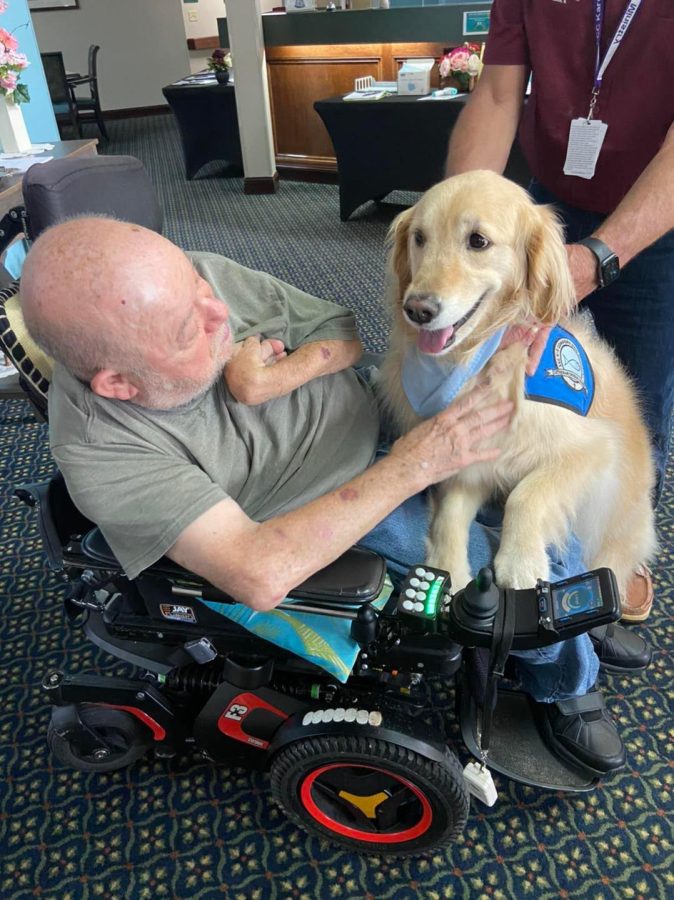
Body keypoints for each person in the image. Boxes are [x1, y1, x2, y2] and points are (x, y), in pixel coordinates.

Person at [20, 216, 645, 774]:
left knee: (542, 476)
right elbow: (258, 572)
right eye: (190, 328)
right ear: (119, 383)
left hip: (375, 409)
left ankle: (581, 618)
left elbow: (338, 328)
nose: (219, 314)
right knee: (520, 576)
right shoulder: (107, 453)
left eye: (202, 290)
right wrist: (417, 462)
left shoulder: (188, 283)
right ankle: (564, 681)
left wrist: (275, 379)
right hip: (325, 505)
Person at [445, 0, 674, 623]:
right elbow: (496, 94)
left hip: (661, 213)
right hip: (551, 198)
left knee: (639, 398)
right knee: (517, 366)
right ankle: (526, 500)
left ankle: (618, 552)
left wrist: (603, 255)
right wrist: (457, 232)